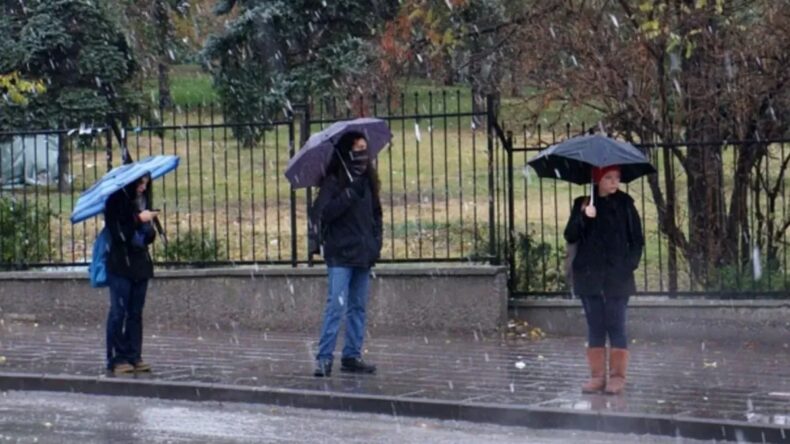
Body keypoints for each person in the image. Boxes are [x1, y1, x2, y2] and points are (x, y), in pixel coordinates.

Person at [563, 165, 644, 395]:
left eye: (617, 178)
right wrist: (582, 216)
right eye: (608, 178)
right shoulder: (583, 202)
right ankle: (597, 376)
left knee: (616, 324)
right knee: (595, 326)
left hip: (617, 276)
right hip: (589, 276)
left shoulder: (625, 204)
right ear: (597, 179)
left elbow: (636, 239)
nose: (614, 182)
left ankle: (617, 377)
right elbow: (570, 235)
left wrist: (629, 265)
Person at [311, 131, 383, 377]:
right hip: (340, 254)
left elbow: (376, 216)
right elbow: (324, 213)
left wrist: (375, 244)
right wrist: (349, 194)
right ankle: (324, 357)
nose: (363, 154)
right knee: (335, 307)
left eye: (365, 149)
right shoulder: (333, 182)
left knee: (358, 307)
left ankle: (352, 355)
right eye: (358, 149)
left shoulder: (368, 183)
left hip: (363, 254)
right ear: (346, 152)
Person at [103, 173, 158, 375]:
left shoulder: (141, 201)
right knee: (119, 312)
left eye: (146, 184)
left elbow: (148, 237)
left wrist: (147, 227)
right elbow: (119, 234)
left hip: (140, 264)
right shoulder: (116, 202)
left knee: (135, 313)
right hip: (121, 265)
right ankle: (117, 357)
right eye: (140, 183)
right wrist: (137, 219)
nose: (143, 188)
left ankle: (135, 355)